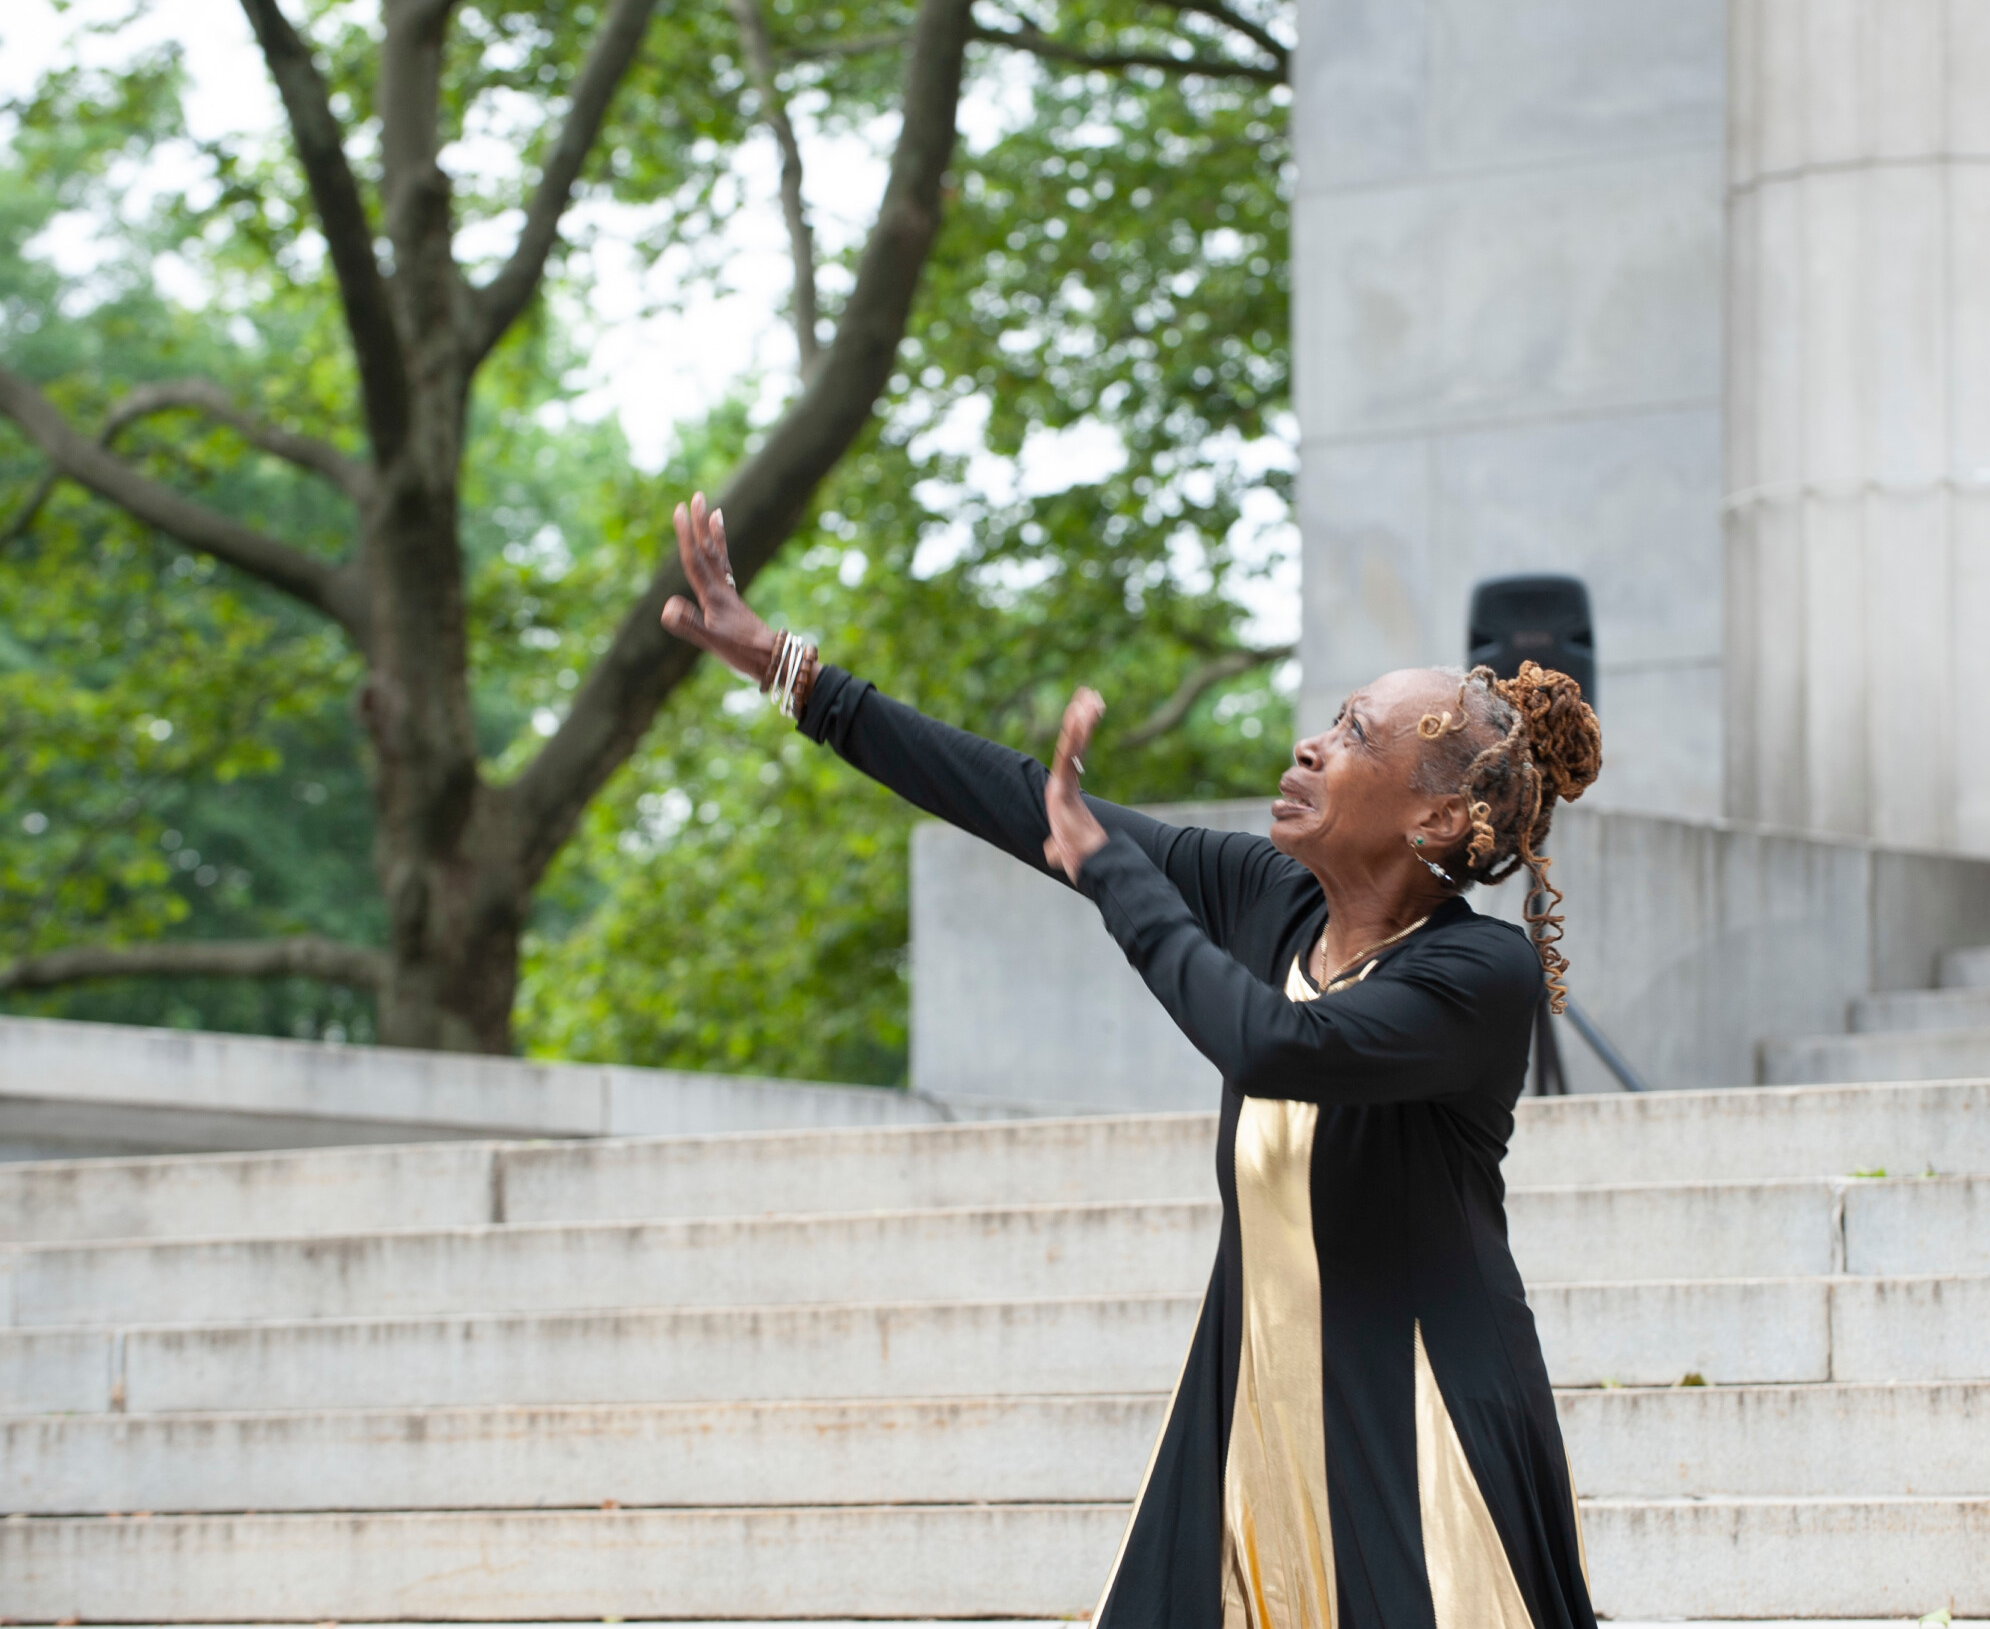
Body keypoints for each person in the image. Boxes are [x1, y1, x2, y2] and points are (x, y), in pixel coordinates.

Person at [663, 493, 1606, 1629]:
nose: (1311, 741)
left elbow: (1275, 1045)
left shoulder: (1473, 976)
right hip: (1252, 1409)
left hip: (1423, 1420)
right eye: (1333, 718)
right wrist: (792, 673)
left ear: (1439, 821)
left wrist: (1119, 881)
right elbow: (1026, 802)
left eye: (1355, 734)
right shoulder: (1273, 898)